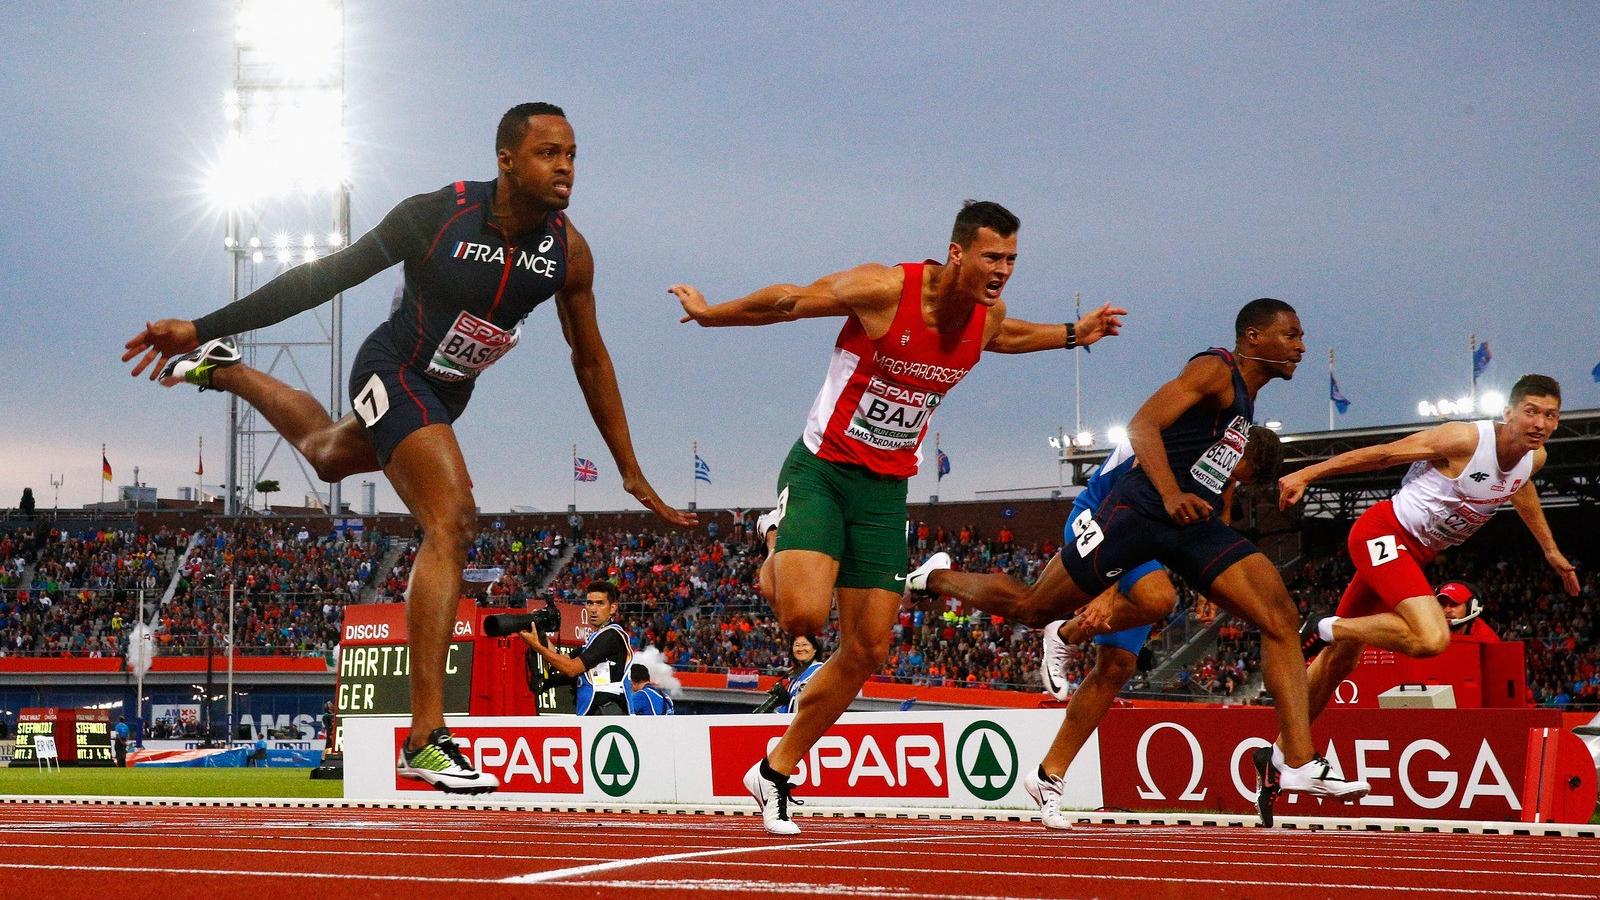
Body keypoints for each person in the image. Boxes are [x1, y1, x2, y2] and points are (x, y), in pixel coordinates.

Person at [121, 102, 693, 793]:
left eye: (573, 154)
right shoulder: (437, 215)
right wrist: (200, 320)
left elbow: (591, 360)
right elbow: (325, 277)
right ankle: (427, 737)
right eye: (549, 153)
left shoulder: (567, 253)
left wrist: (630, 471)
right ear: (506, 161)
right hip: (393, 368)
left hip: (448, 392)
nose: (566, 168)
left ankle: (227, 368)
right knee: (452, 520)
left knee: (327, 452)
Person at [671, 201, 1125, 834]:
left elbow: (1012, 335)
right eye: (992, 257)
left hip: (884, 491)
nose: (1002, 270)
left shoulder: (985, 317)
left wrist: (1076, 333)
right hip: (823, 471)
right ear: (959, 252)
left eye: (1012, 260)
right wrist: (709, 313)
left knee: (866, 650)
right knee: (802, 615)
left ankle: (774, 772)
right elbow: (790, 301)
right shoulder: (887, 289)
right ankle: (775, 537)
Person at [909, 298, 1371, 823]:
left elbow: (1211, 486)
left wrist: (1213, 558)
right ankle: (937, 577)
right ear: (1252, 338)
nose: (1301, 346)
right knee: (1039, 608)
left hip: (1186, 526)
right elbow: (1141, 426)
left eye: (1301, 335)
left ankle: (1298, 760)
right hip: (1133, 512)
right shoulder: (1214, 369)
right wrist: (1171, 495)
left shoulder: (1243, 412)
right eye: (1290, 335)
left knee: (1279, 616)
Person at [1261, 374, 1577, 823]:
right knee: (1431, 638)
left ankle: (1284, 759)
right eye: (1531, 411)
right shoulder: (1464, 438)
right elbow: (1384, 454)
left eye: (1550, 415)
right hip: (1383, 533)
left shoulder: (1534, 458)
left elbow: (1519, 488)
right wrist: (1308, 472)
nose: (1540, 423)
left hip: (1414, 554)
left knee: (1339, 663)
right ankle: (1322, 625)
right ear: (1508, 413)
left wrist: (1549, 548)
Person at [1026, 427, 1282, 829]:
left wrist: (1210, 584)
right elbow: (1122, 507)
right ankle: (1064, 631)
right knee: (1159, 599)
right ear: (1233, 450)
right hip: (1099, 516)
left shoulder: (1225, 465)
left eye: (1238, 481)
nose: (1230, 482)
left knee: (1115, 669)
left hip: (1141, 541)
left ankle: (1048, 776)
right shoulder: (1187, 437)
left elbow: (1219, 521)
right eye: (1234, 473)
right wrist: (1106, 588)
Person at [521, 581, 632, 716]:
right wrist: (541, 633)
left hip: (607, 713)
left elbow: (571, 668)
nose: (593, 609)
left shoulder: (612, 635)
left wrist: (537, 646)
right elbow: (561, 660)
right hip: (596, 712)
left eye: (600, 603)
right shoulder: (595, 638)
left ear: (613, 608)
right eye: (590, 603)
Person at [780, 634, 825, 715]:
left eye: (805, 644)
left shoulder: (821, 671)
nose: (800, 649)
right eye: (797, 645)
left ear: (815, 649)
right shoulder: (795, 676)